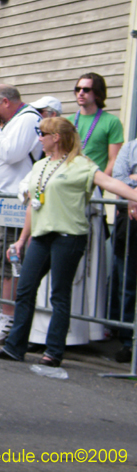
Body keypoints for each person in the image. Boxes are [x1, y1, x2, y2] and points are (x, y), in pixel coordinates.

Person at [0, 117, 137, 367]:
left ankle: (54, 352)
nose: (39, 138)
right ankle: (14, 347)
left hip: (68, 236)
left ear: (56, 137)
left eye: (42, 134)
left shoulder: (82, 165)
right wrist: (22, 239)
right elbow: (33, 204)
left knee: (59, 294)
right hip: (41, 236)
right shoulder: (40, 165)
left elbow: (110, 183)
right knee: (25, 289)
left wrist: (134, 195)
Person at [0, 85, 42, 342]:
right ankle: (4, 308)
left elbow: (12, 154)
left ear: (6, 102)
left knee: (8, 259)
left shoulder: (27, 119)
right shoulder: (12, 123)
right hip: (0, 201)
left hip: (13, 202)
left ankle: (9, 315)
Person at [110, 140, 137, 363]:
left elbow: (124, 182)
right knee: (127, 283)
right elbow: (118, 178)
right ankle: (128, 342)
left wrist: (132, 185)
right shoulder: (130, 148)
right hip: (128, 222)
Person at [71, 73, 123, 176]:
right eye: (78, 89)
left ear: (97, 93)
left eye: (86, 90)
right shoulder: (68, 122)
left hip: (94, 181)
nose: (81, 93)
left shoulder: (111, 121)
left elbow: (114, 159)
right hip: (69, 179)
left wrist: (102, 182)